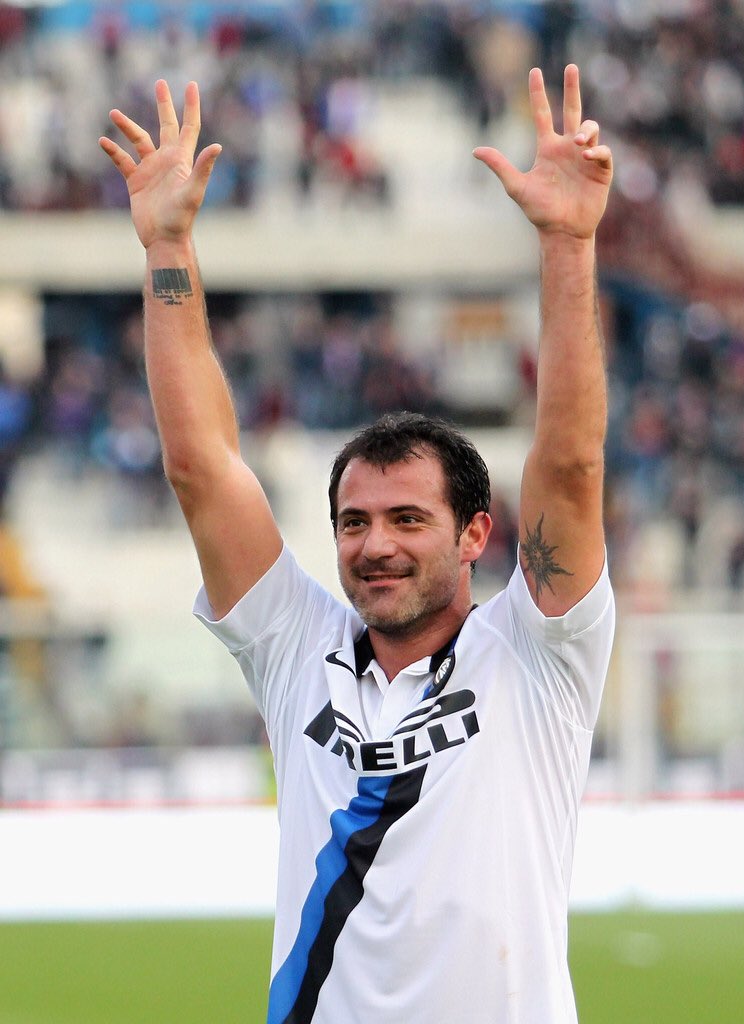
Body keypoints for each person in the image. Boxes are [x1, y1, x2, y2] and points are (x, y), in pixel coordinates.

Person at [100, 64, 615, 1024]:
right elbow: (201, 468)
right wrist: (167, 246)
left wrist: (568, 244)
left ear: (475, 533)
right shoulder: (297, 650)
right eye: (353, 521)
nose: (375, 545)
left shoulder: (539, 652)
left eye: (408, 519)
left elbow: (573, 463)